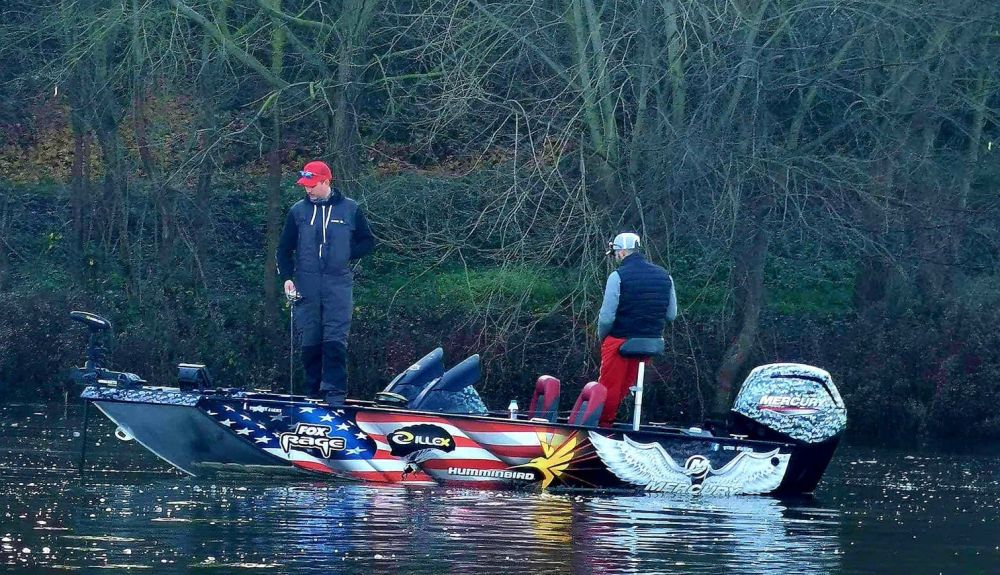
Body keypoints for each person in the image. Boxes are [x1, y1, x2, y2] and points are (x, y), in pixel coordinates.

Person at [276, 160, 375, 406]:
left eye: (312, 185)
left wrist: (345, 254)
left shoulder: (350, 209)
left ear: (326, 182)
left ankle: (334, 395)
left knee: (335, 337)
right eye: (305, 185)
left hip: (338, 283)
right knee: (310, 338)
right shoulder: (297, 211)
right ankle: (312, 394)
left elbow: (368, 242)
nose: (307, 190)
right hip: (305, 283)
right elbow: (283, 249)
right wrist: (287, 278)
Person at [595, 232, 677, 427]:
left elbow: (606, 317)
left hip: (621, 340)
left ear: (622, 252)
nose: (615, 257)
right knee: (626, 384)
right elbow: (671, 314)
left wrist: (601, 337)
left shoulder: (617, 276)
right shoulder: (665, 276)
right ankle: (634, 425)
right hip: (652, 342)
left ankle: (602, 426)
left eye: (615, 253)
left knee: (608, 387)